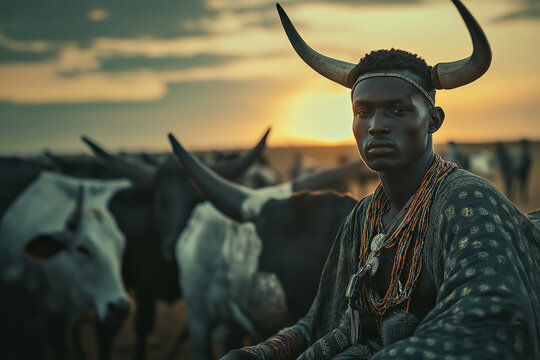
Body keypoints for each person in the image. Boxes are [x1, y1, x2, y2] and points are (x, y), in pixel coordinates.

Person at [222, 0, 540, 359]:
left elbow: (488, 320)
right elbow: (319, 322)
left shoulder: (466, 201)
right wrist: (260, 354)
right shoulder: (363, 218)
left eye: (398, 110)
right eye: (363, 112)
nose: (376, 126)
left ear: (433, 120)